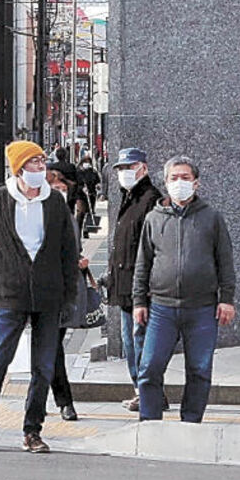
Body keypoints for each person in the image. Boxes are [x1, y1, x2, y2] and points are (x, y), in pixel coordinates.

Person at [0, 140, 80, 454]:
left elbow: (69, 250)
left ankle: (32, 431)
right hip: (12, 295)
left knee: (43, 366)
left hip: (50, 296)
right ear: (19, 168)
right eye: (35, 163)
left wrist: (69, 295)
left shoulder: (55, 203)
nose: (42, 168)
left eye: (43, 162)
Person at [133, 156, 236, 423]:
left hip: (202, 309)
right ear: (165, 183)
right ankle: (150, 422)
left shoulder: (211, 218)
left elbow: (225, 261)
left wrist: (227, 299)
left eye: (185, 178)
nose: (179, 183)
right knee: (149, 368)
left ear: (196, 183)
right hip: (161, 308)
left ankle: (191, 422)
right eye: (174, 178)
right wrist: (138, 302)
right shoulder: (154, 218)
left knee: (200, 370)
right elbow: (142, 263)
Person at [103, 147, 162, 412]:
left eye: (130, 167)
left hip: (140, 288)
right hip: (124, 284)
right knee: (132, 341)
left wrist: (145, 288)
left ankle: (147, 392)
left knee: (138, 341)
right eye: (121, 169)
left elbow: (151, 247)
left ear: (144, 168)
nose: (124, 173)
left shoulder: (150, 199)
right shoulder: (128, 198)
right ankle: (146, 391)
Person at [46, 162, 90, 422]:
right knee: (49, 348)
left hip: (64, 290)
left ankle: (63, 401)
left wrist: (78, 259)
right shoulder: (35, 212)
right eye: (53, 184)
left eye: (61, 184)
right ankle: (62, 401)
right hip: (40, 290)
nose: (57, 188)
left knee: (51, 347)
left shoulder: (70, 215)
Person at [78, 153, 101, 234]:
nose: (87, 164)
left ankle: (86, 230)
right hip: (81, 195)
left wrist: (98, 186)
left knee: (90, 212)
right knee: (81, 212)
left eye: (88, 162)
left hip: (91, 194)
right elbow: (77, 183)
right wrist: (82, 188)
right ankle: (78, 229)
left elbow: (97, 181)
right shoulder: (78, 171)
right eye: (85, 162)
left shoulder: (93, 171)